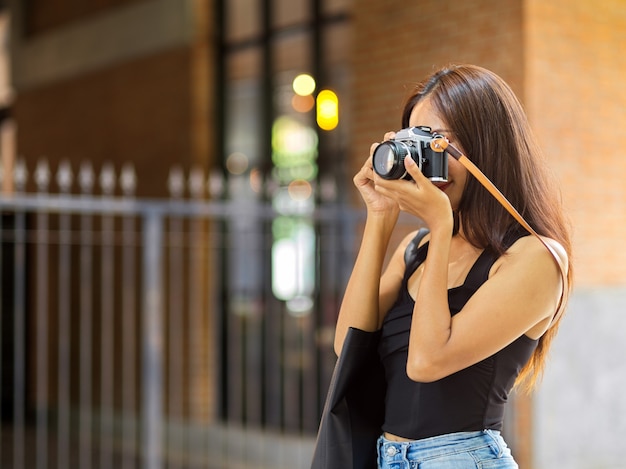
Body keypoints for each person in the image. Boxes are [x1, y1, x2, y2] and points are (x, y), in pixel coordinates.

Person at [333, 64, 572, 468]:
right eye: (415, 141)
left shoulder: (536, 257)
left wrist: (441, 226)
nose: (422, 159)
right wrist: (380, 216)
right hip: (386, 458)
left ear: (486, 144)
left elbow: (428, 361)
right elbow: (347, 345)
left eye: (436, 141)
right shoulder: (416, 249)